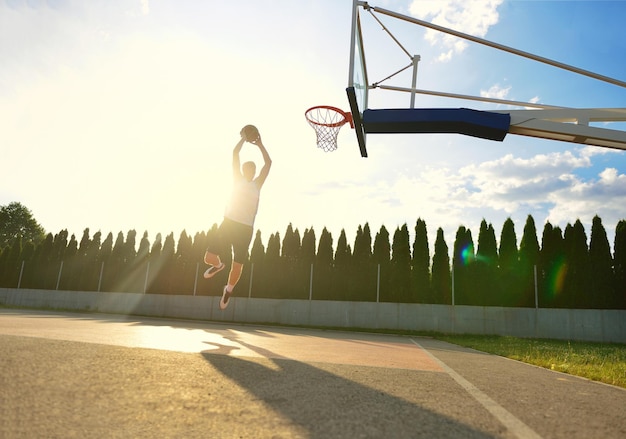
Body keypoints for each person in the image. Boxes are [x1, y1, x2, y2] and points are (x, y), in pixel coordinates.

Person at [203, 128, 272, 310]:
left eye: (253, 169)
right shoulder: (237, 179)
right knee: (208, 258)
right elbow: (235, 153)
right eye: (247, 169)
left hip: (245, 228)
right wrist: (243, 139)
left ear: (255, 172)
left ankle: (229, 289)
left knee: (238, 265)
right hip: (229, 223)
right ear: (243, 170)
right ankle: (218, 265)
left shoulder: (258, 184)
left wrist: (260, 144)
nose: (250, 171)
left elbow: (269, 163)